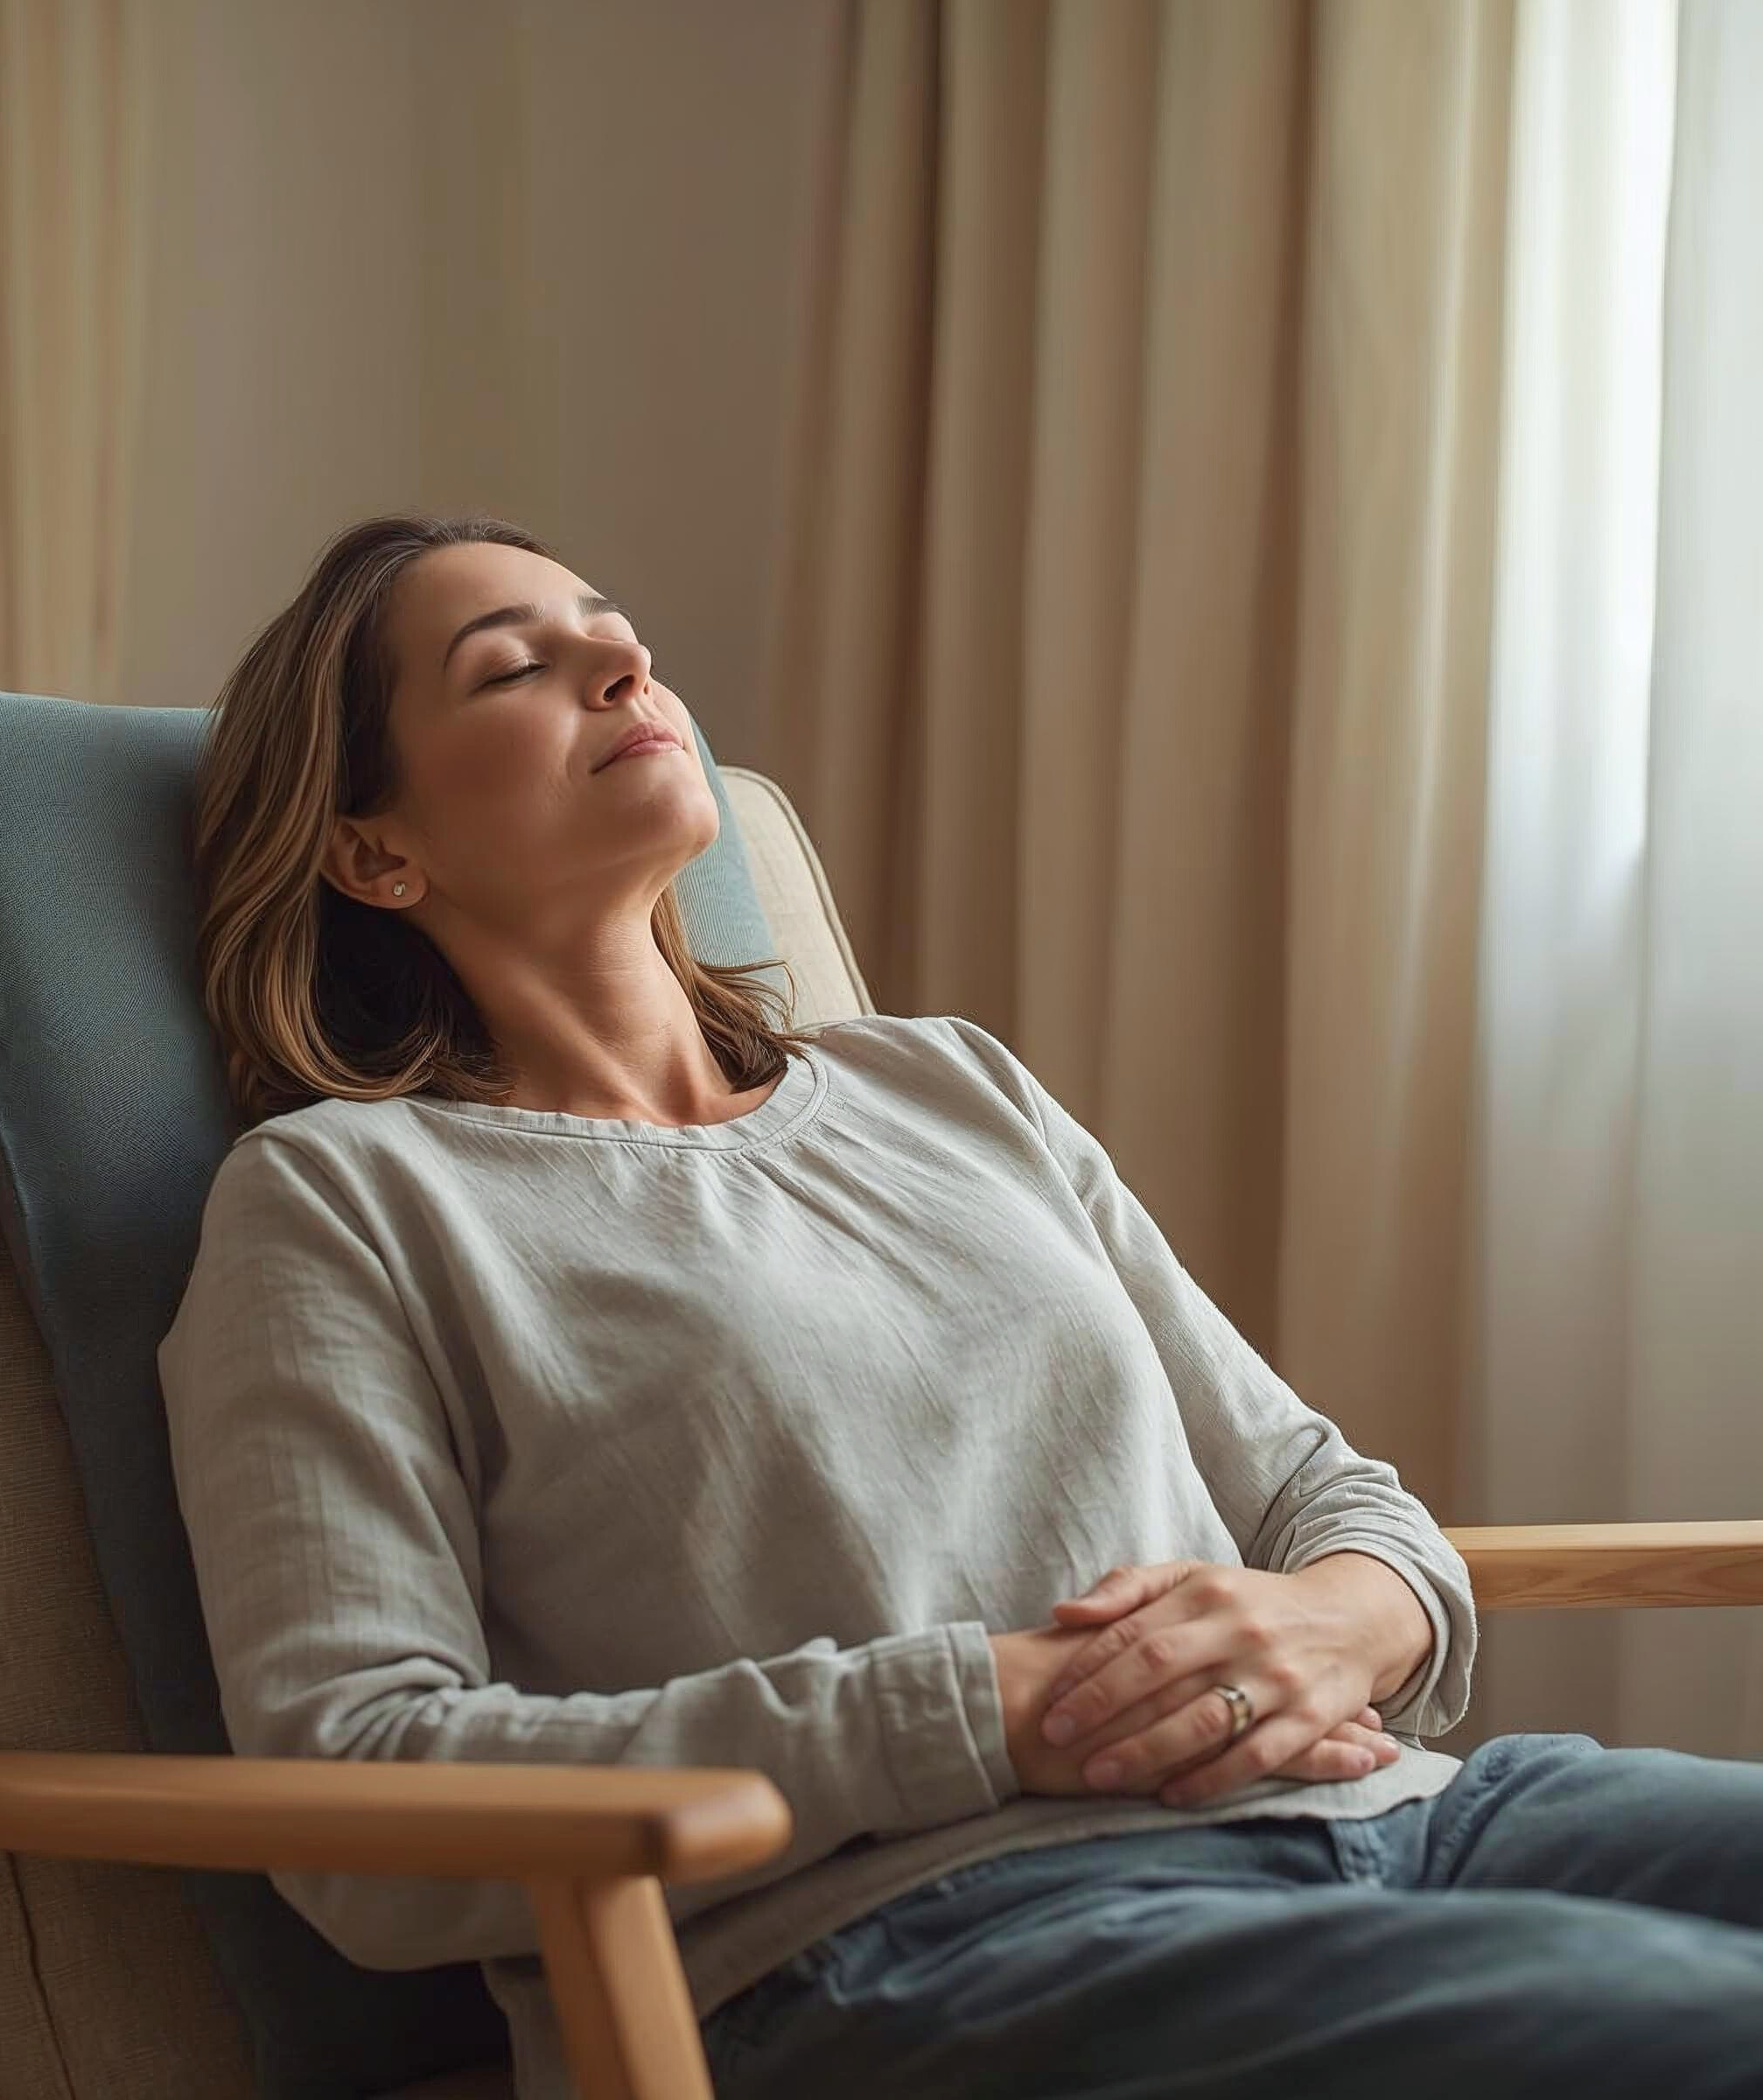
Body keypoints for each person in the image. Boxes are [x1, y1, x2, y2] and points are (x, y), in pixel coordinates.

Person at [157, 514, 1763, 2100]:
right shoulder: (343, 1201)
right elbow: (356, 1788)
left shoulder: (945, 1082)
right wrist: (986, 1710)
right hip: (935, 1936)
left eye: (613, 624)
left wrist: (1339, 1620)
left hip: (1420, 1813)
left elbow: (1319, 1494)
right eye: (515, 665)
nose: (621, 661)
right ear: (375, 850)